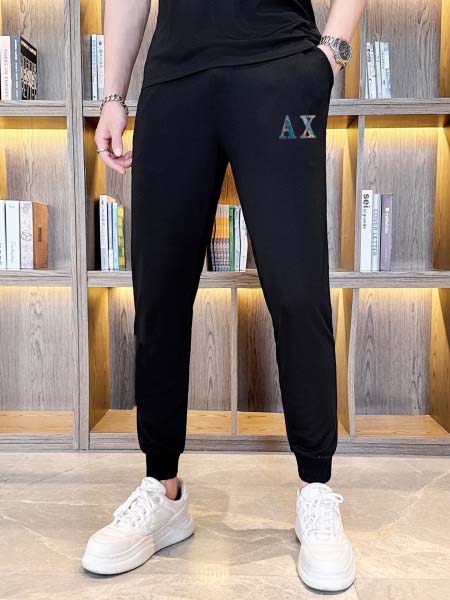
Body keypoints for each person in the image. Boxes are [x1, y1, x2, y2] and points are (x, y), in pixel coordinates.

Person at [82, 0, 366, 592]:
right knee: (158, 295)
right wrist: (113, 95)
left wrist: (330, 56)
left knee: (297, 289)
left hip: (282, 74)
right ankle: (163, 491)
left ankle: (316, 490)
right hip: (174, 83)